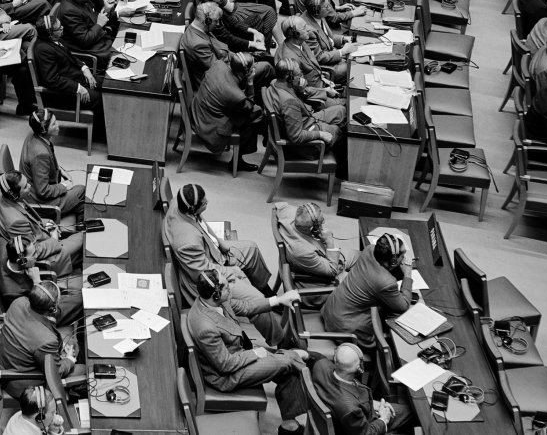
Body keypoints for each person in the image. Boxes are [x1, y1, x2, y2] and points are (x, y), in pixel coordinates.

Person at [187, 268, 313, 429]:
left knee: (288, 367)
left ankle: (289, 425)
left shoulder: (213, 301)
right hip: (226, 375)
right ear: (216, 294)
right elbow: (225, 365)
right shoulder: (205, 327)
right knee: (288, 362)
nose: (231, 287)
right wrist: (255, 353)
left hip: (239, 355)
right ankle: (304, 361)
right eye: (226, 286)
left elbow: (246, 307)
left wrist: (279, 300)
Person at [163, 183, 284, 332]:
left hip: (212, 253)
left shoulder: (180, 201)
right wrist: (231, 270)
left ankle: (267, 292)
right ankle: (281, 340)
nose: (208, 203)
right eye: (204, 203)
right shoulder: (187, 242)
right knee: (256, 299)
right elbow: (202, 273)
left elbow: (200, 221)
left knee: (251, 249)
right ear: (193, 208)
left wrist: (220, 242)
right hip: (211, 280)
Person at [321, 233, 413, 351]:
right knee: (391, 327)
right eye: (403, 255)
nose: (404, 259)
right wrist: (407, 273)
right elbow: (403, 306)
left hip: (331, 309)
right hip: (344, 328)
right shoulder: (386, 282)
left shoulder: (369, 250)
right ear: (394, 261)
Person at [0, 171, 82, 276]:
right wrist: (54, 238)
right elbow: (32, 252)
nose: (29, 186)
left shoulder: (3, 195)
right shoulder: (16, 222)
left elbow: (28, 216)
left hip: (42, 234)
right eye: (25, 187)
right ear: (14, 195)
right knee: (84, 238)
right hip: (47, 254)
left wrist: (46, 222)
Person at [0, 284, 81, 400]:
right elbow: (55, 372)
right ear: (53, 308)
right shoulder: (46, 340)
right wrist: (69, 360)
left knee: (72, 341)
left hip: (11, 363)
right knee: (89, 372)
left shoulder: (19, 302)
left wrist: (57, 350)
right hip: (23, 384)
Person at [311, 343, 414, 434]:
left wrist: (374, 404)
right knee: (413, 413)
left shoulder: (320, 366)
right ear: (359, 367)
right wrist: (383, 419)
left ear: (335, 359)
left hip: (360, 414)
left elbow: (315, 356)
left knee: (408, 411)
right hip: (367, 424)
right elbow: (366, 433)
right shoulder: (350, 409)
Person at [190, 53, 268, 169]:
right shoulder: (236, 96)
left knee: (257, 115)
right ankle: (238, 161)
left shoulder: (218, 65)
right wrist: (250, 83)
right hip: (210, 127)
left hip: (198, 110)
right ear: (246, 72)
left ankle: (266, 137)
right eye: (253, 67)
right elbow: (249, 106)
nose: (255, 68)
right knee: (257, 114)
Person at [261, 57, 348, 151]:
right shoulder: (289, 102)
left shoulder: (275, 82)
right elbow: (296, 137)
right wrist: (320, 134)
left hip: (306, 120)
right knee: (338, 131)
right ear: (288, 77)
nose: (302, 78)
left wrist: (301, 90)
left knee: (341, 111)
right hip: (305, 141)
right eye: (299, 75)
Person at [19, 110, 86, 214]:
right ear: (44, 130)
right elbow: (43, 191)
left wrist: (59, 169)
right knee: (81, 190)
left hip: (33, 191)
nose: (58, 125)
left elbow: (41, 165)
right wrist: (64, 186)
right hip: (39, 202)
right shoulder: (40, 154)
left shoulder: (33, 133)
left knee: (80, 204)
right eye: (54, 124)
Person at [32, 13, 101, 112]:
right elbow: (52, 80)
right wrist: (78, 88)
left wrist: (84, 68)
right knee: (99, 99)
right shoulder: (43, 50)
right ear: (50, 33)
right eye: (59, 28)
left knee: (107, 87)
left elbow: (69, 56)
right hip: (65, 94)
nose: (62, 28)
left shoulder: (55, 39)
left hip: (77, 77)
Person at [275, 202, 348, 287]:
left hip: (321, 254)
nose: (322, 225)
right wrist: (329, 241)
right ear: (312, 228)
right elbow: (332, 271)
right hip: (326, 271)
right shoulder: (303, 252)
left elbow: (279, 205)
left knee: (362, 256)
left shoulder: (289, 213)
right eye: (321, 222)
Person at [54, 0, 117, 64]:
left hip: (96, 39)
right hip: (85, 47)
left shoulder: (80, 0)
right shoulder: (69, 11)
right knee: (117, 53)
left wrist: (106, 10)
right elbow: (84, 40)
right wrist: (99, 24)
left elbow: (93, 18)